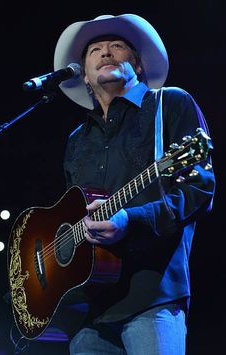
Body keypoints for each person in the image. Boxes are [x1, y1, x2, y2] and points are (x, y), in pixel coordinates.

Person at [53, 14, 215, 355]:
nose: (106, 52)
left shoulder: (168, 103)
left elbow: (199, 189)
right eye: (95, 49)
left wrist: (131, 219)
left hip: (151, 295)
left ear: (138, 66)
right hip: (90, 310)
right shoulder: (77, 139)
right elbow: (70, 215)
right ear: (83, 73)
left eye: (117, 46)